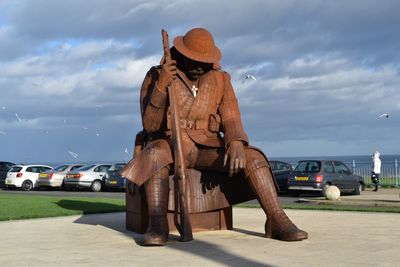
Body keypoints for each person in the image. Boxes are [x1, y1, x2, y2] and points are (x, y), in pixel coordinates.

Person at [121, 28, 307, 246]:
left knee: (254, 158)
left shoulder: (221, 79)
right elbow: (150, 124)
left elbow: (231, 116)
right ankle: (157, 224)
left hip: (205, 145)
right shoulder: (157, 74)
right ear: (181, 53)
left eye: (205, 61)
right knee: (154, 155)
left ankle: (277, 220)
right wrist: (162, 85)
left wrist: (236, 141)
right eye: (195, 60)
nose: (200, 65)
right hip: (169, 143)